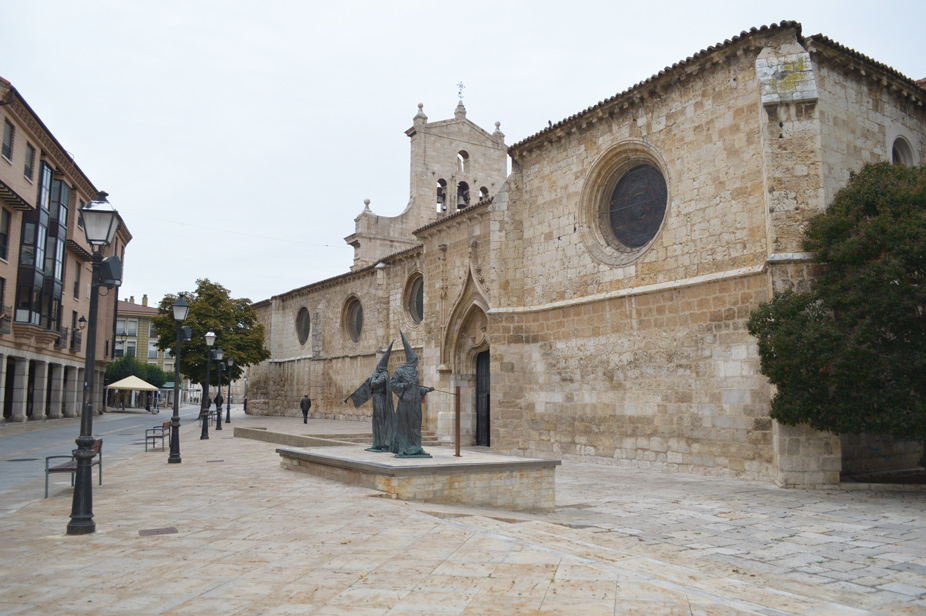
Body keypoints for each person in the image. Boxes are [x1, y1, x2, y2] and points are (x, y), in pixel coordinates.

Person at [344, 342, 394, 452]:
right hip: (376, 399)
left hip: (381, 399)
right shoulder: (379, 374)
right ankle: (377, 443)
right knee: (376, 421)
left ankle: (384, 443)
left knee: (381, 421)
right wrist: (371, 378)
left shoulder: (384, 375)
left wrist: (372, 378)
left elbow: (375, 384)